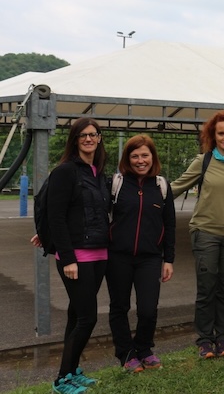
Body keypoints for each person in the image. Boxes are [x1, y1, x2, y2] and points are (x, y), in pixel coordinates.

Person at [171, 110, 224, 359]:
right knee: (207, 288)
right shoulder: (203, 161)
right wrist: (147, 195)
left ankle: (223, 338)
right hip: (205, 232)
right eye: (221, 133)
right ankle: (204, 340)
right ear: (213, 135)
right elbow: (177, 186)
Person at [41, 117, 110, 393]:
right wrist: (68, 257)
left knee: (76, 316)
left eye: (93, 134)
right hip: (76, 258)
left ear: (99, 138)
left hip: (99, 254)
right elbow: (56, 216)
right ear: (75, 139)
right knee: (87, 318)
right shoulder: (66, 171)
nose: (89, 139)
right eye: (83, 135)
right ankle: (61, 380)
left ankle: (72, 372)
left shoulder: (98, 172)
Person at [107, 134, 176, 373]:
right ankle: (126, 354)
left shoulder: (161, 186)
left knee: (148, 309)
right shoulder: (116, 184)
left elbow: (170, 224)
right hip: (118, 257)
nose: (140, 160)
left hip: (150, 258)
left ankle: (144, 349)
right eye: (134, 156)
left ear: (152, 157)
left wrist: (169, 259)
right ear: (127, 159)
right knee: (119, 307)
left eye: (145, 155)